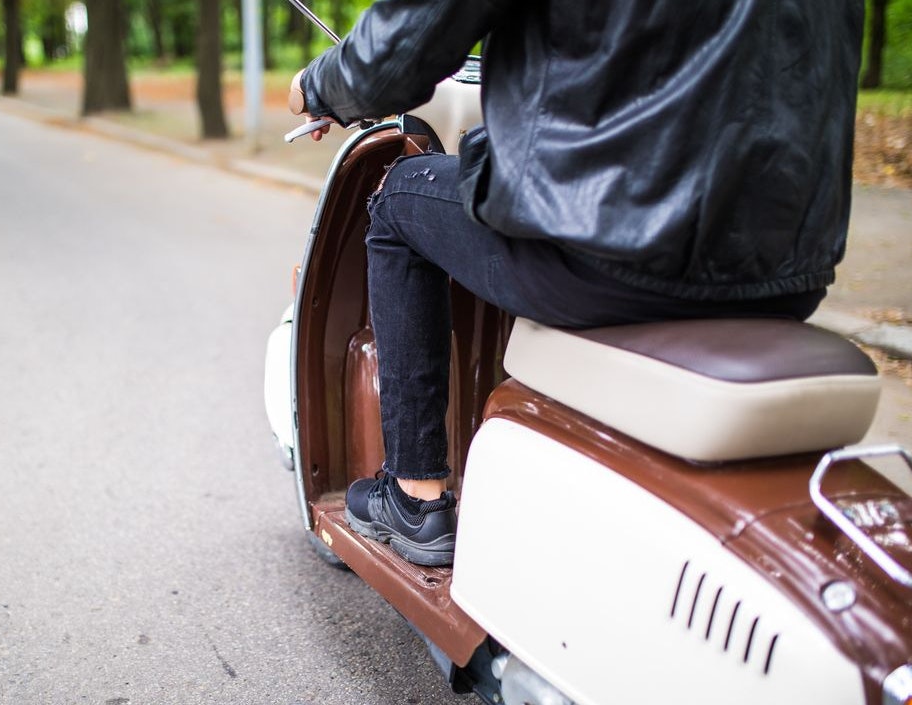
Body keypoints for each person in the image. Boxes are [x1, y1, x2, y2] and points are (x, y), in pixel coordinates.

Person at [288, 0, 863, 566]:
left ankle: (415, 496)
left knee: (400, 197)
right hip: (784, 270)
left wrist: (316, 86)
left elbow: (397, 50)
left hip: (607, 251)